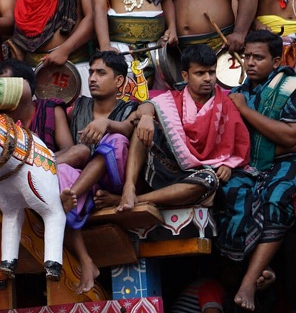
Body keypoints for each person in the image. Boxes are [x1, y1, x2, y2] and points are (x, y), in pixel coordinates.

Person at [100, 45, 250, 214]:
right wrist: (147, 117)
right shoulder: (172, 99)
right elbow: (147, 106)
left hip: (196, 176)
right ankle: (129, 188)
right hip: (165, 169)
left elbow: (238, 144)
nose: (208, 78)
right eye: (200, 73)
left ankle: (134, 200)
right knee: (141, 123)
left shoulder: (227, 104)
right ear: (185, 76)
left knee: (209, 180)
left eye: (212, 72)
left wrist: (227, 165)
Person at [218, 30, 296, 311]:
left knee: (276, 199)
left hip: (287, 162)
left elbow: (290, 137)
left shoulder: (291, 87)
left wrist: (246, 112)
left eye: (258, 58)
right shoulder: (239, 93)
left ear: (276, 62)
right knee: (233, 197)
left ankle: (250, 282)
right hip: (247, 166)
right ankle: (266, 270)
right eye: (247, 56)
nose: (250, 62)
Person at [56, 52, 139, 293]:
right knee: (61, 171)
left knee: (116, 139)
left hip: (112, 179)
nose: (92, 78)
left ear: (119, 82)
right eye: (91, 72)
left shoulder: (130, 109)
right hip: (83, 184)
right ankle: (86, 261)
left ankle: (67, 199)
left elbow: (127, 128)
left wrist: (106, 124)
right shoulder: (77, 107)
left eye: (101, 73)